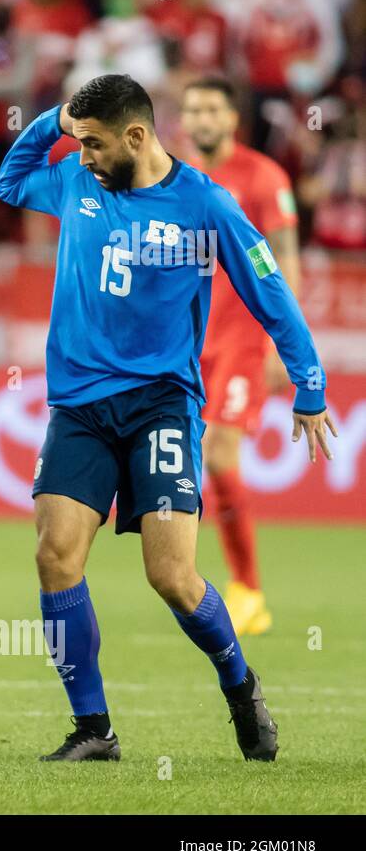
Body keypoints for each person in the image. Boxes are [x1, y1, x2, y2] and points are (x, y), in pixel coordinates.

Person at [0, 74, 335, 762]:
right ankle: (94, 729)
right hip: (79, 406)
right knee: (55, 556)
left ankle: (240, 685)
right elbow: (10, 181)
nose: (81, 156)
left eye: (92, 144)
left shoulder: (205, 206)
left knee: (172, 576)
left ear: (137, 137)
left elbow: (270, 289)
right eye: (76, 143)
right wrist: (56, 121)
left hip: (161, 405)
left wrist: (309, 382)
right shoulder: (76, 184)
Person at [180, 76, 303, 635]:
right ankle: (186, 579)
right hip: (187, 341)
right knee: (187, 462)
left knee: (221, 455)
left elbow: (285, 262)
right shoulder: (177, 179)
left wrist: (286, 343)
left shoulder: (263, 177)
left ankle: (247, 589)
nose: (201, 119)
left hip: (243, 339)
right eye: (192, 110)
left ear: (232, 119)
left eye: (212, 109)